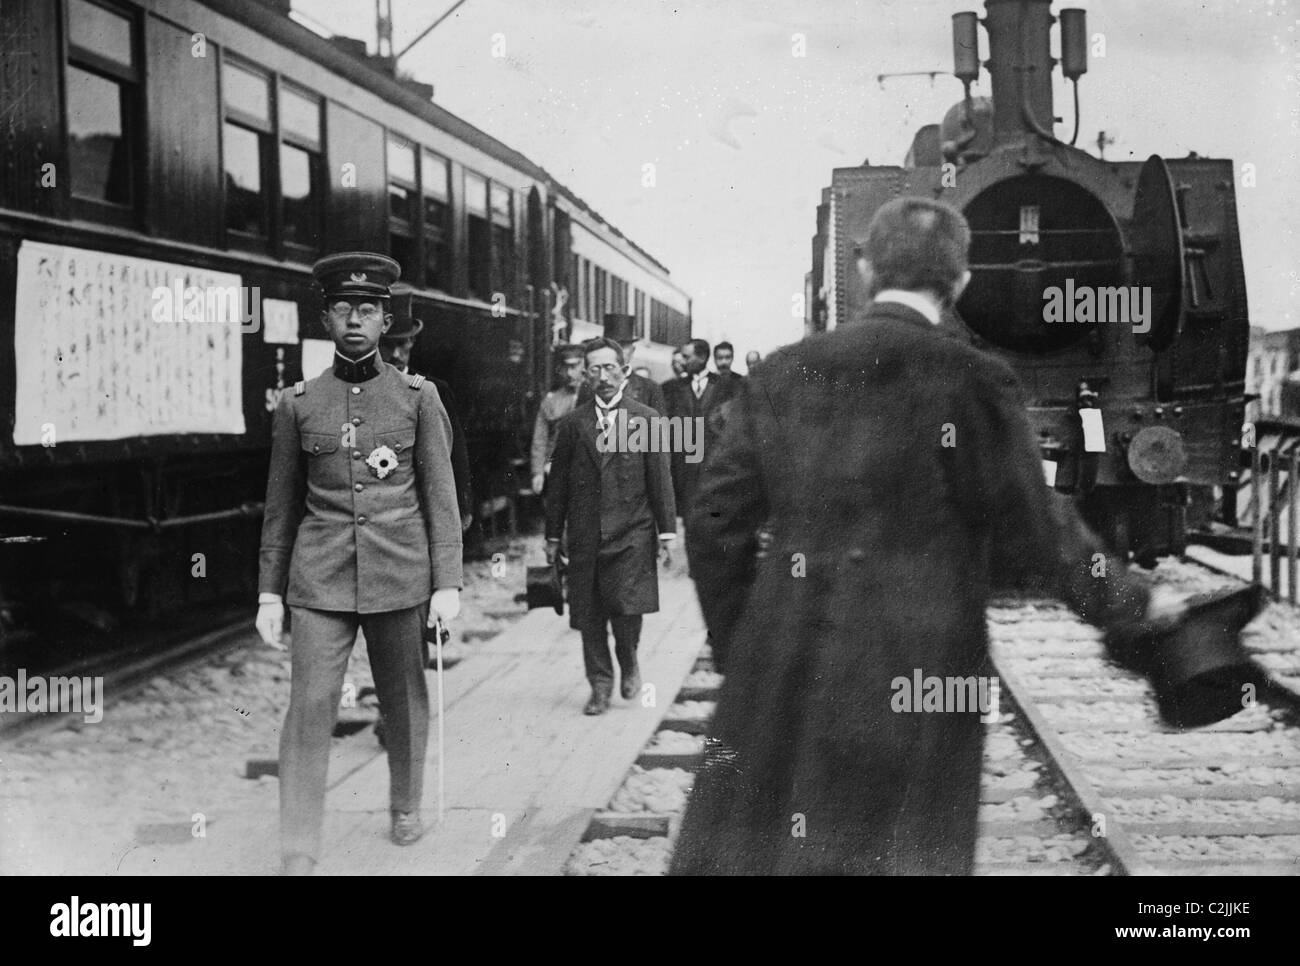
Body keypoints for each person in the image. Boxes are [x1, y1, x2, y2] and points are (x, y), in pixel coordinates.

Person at [669, 198, 1181, 876]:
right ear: (960, 283)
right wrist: (1132, 602)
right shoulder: (972, 380)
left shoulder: (782, 374)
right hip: (920, 673)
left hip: (789, 661)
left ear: (863, 270)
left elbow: (711, 524)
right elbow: (1039, 531)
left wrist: (747, 649)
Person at [255, 252, 463, 875]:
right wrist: (270, 592)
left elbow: (440, 496)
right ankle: (299, 842)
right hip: (318, 582)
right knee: (310, 705)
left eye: (367, 310)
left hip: (400, 576)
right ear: (325, 318)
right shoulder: (299, 404)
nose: (354, 321)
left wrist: (447, 582)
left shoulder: (416, 399)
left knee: (402, 701)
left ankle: (405, 804)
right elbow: (280, 505)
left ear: (384, 319)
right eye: (343, 309)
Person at [544, 337, 677, 715]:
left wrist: (667, 535)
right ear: (585, 375)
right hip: (585, 534)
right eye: (594, 370)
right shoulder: (573, 424)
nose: (602, 376)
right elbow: (559, 486)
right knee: (588, 614)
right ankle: (600, 685)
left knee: (626, 608)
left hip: (632, 531)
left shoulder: (646, 419)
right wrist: (553, 535)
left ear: (624, 370)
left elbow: (660, 480)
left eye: (609, 368)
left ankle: (629, 658)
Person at [378, 287, 470, 671]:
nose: (397, 355)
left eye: (404, 345)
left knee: (414, 620)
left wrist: (461, 513)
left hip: (419, 523)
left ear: (413, 344)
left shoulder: (432, 391)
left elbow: (456, 461)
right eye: (389, 346)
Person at [660, 338, 731, 519]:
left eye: (686, 356)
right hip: (684, 467)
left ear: (702, 357)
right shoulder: (674, 388)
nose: (682, 361)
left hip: (713, 465)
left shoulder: (725, 386)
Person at [577, 314, 666, 415]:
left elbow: (659, 428)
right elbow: (578, 424)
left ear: (632, 351)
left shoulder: (650, 388)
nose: (617, 352)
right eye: (612, 347)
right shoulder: (588, 386)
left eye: (622, 346)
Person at [530, 343, 585, 495]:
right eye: (565, 368)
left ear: (584, 365)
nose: (569, 373)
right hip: (560, 470)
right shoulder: (551, 401)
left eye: (574, 367)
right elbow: (540, 439)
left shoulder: (597, 396)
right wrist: (538, 472)